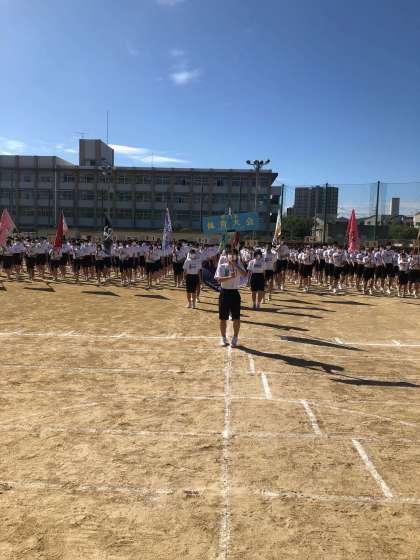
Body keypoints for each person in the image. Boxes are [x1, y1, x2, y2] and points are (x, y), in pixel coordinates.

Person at [215, 247, 247, 348]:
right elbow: (218, 279)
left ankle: (235, 338)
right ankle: (223, 338)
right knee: (223, 318)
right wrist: (229, 277)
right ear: (227, 256)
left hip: (235, 293)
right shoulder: (222, 266)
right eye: (230, 255)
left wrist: (235, 265)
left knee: (236, 318)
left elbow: (245, 275)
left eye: (234, 255)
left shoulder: (239, 266)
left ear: (237, 256)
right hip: (224, 293)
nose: (232, 257)